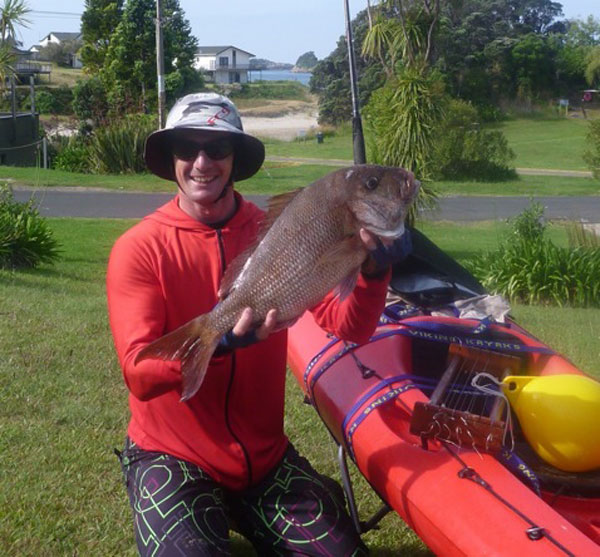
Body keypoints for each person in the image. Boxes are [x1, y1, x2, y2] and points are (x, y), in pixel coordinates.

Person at [106, 92, 403, 556]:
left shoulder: (277, 233)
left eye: (218, 149)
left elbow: (348, 326)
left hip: (262, 461)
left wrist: (372, 271)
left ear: (235, 158)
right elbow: (139, 374)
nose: (202, 162)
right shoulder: (139, 248)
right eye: (187, 148)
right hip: (172, 456)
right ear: (172, 159)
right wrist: (220, 342)